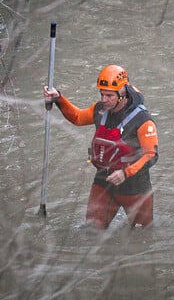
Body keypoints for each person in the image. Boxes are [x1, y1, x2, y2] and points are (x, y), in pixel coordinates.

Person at [43, 64, 158, 229]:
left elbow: (151, 155)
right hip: (104, 180)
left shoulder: (142, 120)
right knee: (91, 231)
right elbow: (77, 117)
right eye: (102, 94)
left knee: (142, 234)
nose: (104, 100)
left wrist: (125, 173)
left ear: (122, 93)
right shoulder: (99, 110)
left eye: (109, 96)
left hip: (135, 186)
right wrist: (58, 98)